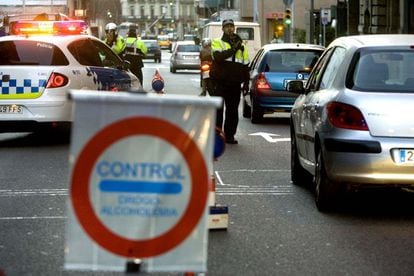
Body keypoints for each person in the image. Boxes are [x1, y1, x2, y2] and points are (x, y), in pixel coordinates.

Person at [210, 19, 250, 144]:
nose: (229, 29)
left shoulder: (242, 46)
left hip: (234, 84)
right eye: (227, 26)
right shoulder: (217, 42)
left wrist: (246, 83)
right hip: (219, 83)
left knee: (232, 111)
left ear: (234, 28)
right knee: (218, 110)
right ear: (223, 29)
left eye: (231, 26)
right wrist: (233, 49)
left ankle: (229, 136)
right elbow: (218, 57)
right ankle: (217, 135)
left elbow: (245, 66)